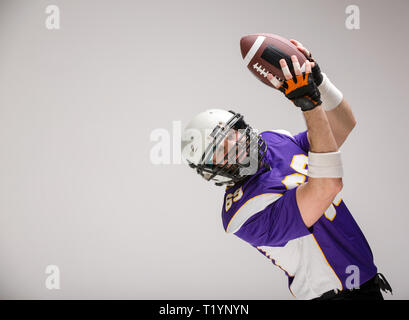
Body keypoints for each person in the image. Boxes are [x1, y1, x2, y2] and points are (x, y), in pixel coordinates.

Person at [180, 39, 392, 300]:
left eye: (231, 134)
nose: (234, 145)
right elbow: (326, 186)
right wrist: (309, 104)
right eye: (221, 150)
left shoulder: (274, 140)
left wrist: (318, 82)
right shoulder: (242, 213)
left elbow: (342, 126)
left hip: (367, 281)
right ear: (211, 170)